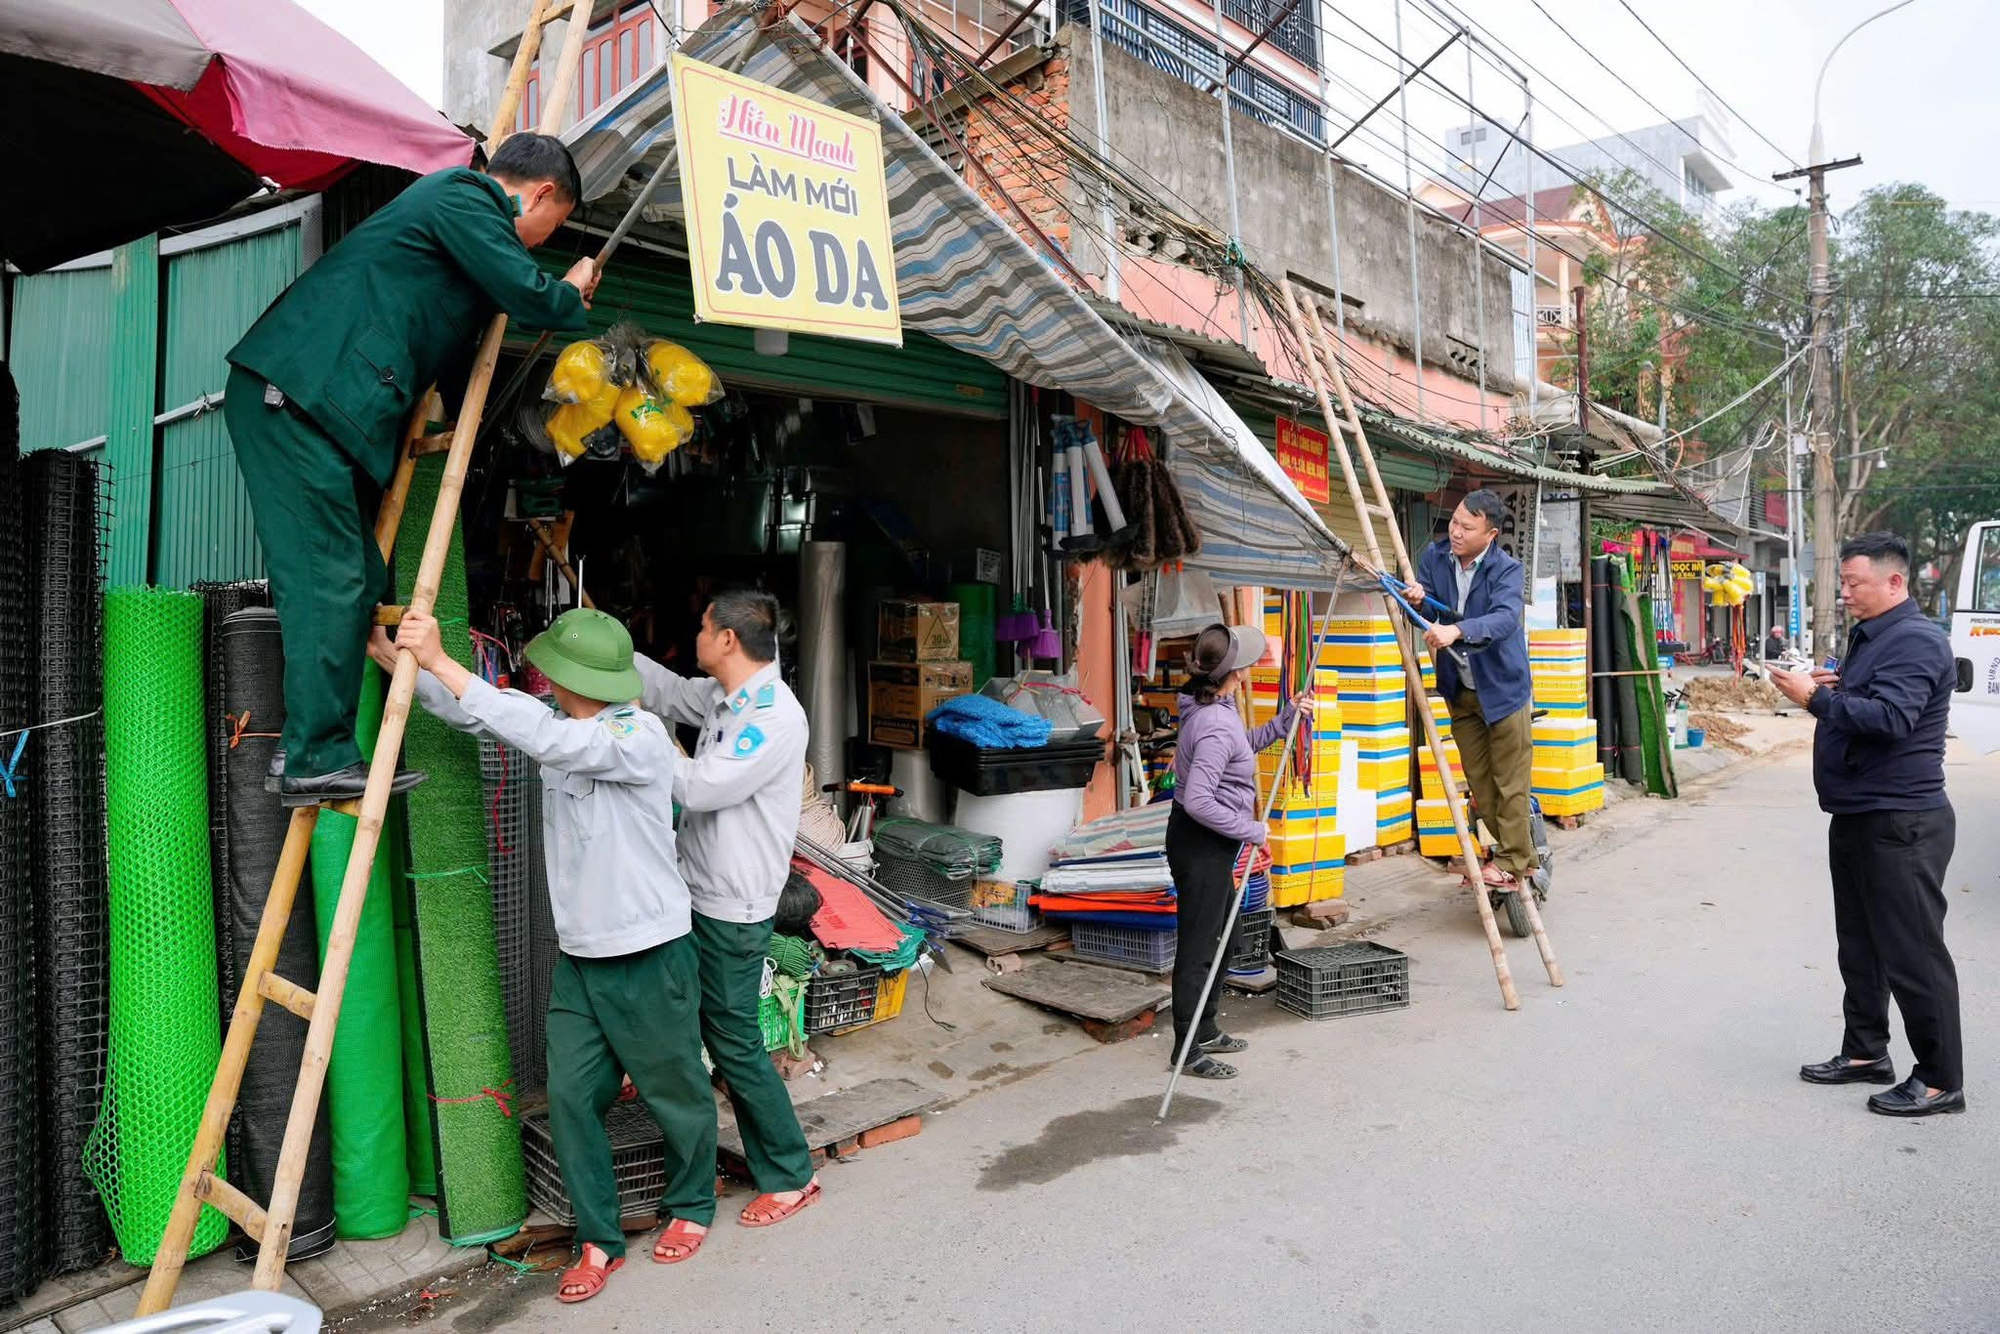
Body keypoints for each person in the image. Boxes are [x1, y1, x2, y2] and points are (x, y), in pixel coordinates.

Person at [227, 133, 601, 805]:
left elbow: (461, 337)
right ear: (541, 194)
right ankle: (317, 756)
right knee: (329, 580)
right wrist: (569, 292)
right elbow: (532, 294)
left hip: (316, 408)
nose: (550, 237)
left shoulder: (460, 233)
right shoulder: (464, 195)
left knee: (362, 578)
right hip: (295, 395)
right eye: (558, 222)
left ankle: (302, 750)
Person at [373, 607, 717, 1302]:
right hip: (581, 959)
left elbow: (537, 733)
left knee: (676, 1094)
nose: (543, 679)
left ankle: (693, 1206)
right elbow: (490, 716)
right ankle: (598, 1238)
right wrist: (396, 661)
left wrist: (443, 661)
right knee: (568, 1099)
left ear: (571, 674)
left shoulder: (639, 735)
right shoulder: (559, 723)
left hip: (649, 952)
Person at [634, 590, 821, 1234]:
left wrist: (638, 743)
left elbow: (703, 786)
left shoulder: (773, 718)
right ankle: (746, 1161)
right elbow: (668, 690)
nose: (698, 633)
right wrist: (607, 650)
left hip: (735, 906)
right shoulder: (725, 697)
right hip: (699, 893)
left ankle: (793, 1174)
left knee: (734, 1042)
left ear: (729, 641)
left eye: (704, 626)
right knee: (711, 1036)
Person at [1769, 533, 1966, 1117]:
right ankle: (1865, 1052)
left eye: (1855, 582)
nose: (1846, 592)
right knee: (1861, 945)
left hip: (1901, 820)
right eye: (1845, 582)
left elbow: (1893, 719)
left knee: (1914, 953)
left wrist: (1815, 699)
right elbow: (1873, 698)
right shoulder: (1873, 636)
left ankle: (1939, 1079)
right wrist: (1837, 687)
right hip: (1859, 813)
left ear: (1895, 582)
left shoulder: (1915, 640)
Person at [1167, 622, 1311, 1080]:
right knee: (1198, 945)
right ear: (1238, 672)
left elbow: (1241, 749)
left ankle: (1205, 1029)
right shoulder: (1212, 724)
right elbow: (1199, 800)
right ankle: (1186, 1049)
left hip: (1213, 842)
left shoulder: (1217, 707)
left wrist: (1285, 719)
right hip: (1201, 843)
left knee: (1224, 936)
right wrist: (1250, 829)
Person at [1403, 490, 1536, 889]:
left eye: (1467, 527)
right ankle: (1517, 855)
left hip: (1504, 689)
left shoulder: (1507, 570)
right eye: (1455, 521)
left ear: (1491, 534)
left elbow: (1504, 619)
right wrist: (1420, 599)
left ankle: (1513, 862)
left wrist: (1457, 630)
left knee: (1510, 782)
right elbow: (1431, 608)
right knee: (1480, 783)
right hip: (1460, 689)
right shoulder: (1434, 557)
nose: (1455, 531)